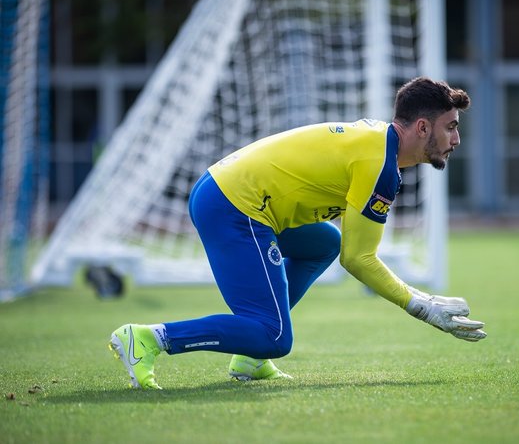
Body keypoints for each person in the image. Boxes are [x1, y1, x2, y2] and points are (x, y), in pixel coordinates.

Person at [108, 76, 486, 390]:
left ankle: (250, 358)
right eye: (450, 127)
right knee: (274, 337)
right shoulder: (380, 165)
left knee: (324, 243)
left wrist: (421, 298)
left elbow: (347, 251)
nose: (456, 140)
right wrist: (422, 305)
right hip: (233, 206)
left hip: (225, 191)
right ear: (423, 128)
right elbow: (359, 260)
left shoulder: (380, 146)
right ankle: (148, 338)